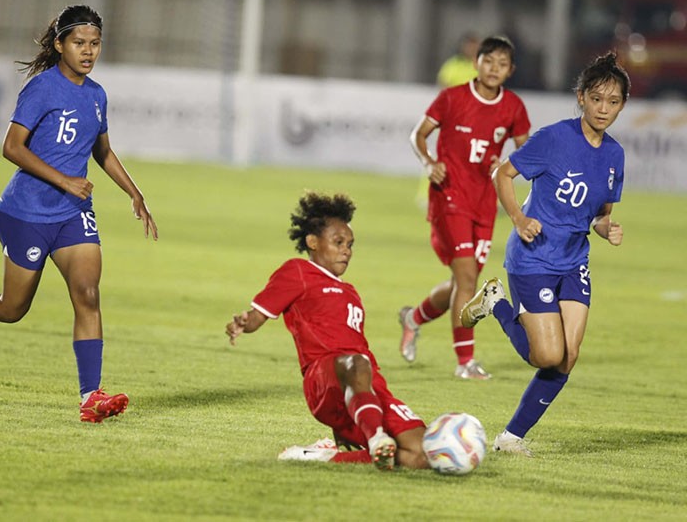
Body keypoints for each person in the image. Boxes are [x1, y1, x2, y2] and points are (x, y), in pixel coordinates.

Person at [0, 5, 158, 423]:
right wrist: (65, 180)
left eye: (95, 44)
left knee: (88, 294)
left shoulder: (96, 95)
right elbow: (12, 147)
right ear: (60, 44)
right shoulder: (42, 88)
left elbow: (103, 151)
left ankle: (90, 396)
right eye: (79, 43)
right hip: (26, 211)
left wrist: (135, 193)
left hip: (73, 212)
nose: (88, 51)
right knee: (13, 308)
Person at [460, 52, 629, 456]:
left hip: (574, 261)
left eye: (614, 102)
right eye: (597, 99)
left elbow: (600, 216)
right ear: (581, 98)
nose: (604, 109)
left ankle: (510, 438)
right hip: (533, 258)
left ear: (622, 105)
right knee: (548, 355)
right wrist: (518, 217)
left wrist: (608, 229)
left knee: (568, 357)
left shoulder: (615, 155)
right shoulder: (555, 138)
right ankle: (498, 303)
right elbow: (504, 173)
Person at [225, 192, 429, 471]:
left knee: (423, 454)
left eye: (350, 244)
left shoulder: (351, 292)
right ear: (312, 242)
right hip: (323, 378)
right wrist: (243, 322)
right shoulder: (297, 272)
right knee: (356, 363)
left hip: (367, 382)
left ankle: (323, 456)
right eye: (338, 242)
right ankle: (376, 437)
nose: (347, 250)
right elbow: (258, 316)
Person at [399, 35, 531, 379]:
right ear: (477, 62)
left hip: (485, 203)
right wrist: (429, 163)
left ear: (510, 70)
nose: (494, 69)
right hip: (449, 197)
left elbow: (525, 151)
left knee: (462, 282)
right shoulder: (452, 98)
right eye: (489, 61)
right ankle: (465, 363)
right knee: (468, 278)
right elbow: (418, 134)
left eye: (502, 65)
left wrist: (505, 166)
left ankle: (414, 317)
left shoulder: (513, 107)